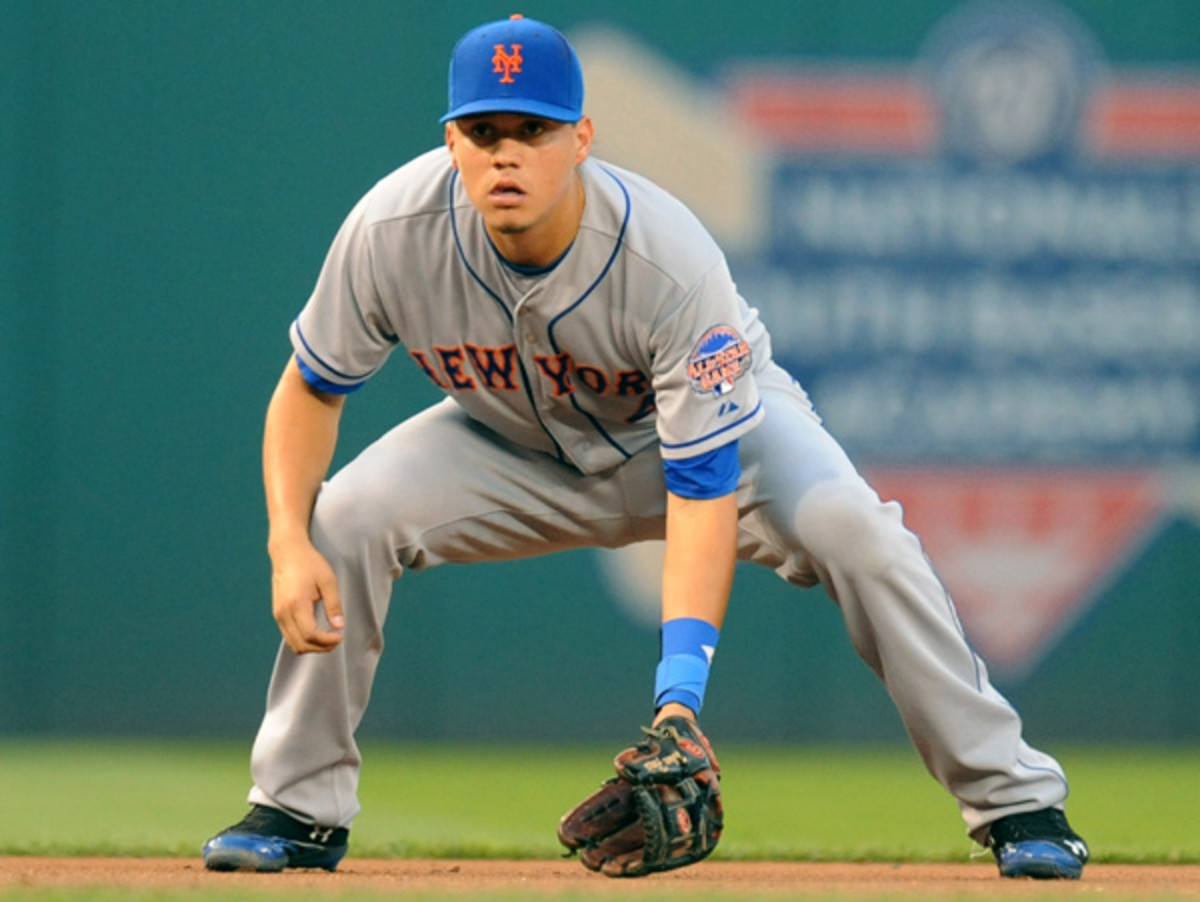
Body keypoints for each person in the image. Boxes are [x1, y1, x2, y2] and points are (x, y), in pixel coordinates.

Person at [202, 14, 1089, 880]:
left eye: (534, 130)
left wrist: (679, 700)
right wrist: (286, 542)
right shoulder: (390, 231)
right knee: (343, 520)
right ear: (451, 142)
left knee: (858, 534)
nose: (507, 154)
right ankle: (297, 808)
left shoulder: (664, 256)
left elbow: (701, 484)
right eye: (483, 131)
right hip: (509, 444)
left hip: (705, 440)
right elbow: (311, 389)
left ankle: (1016, 802)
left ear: (581, 139)